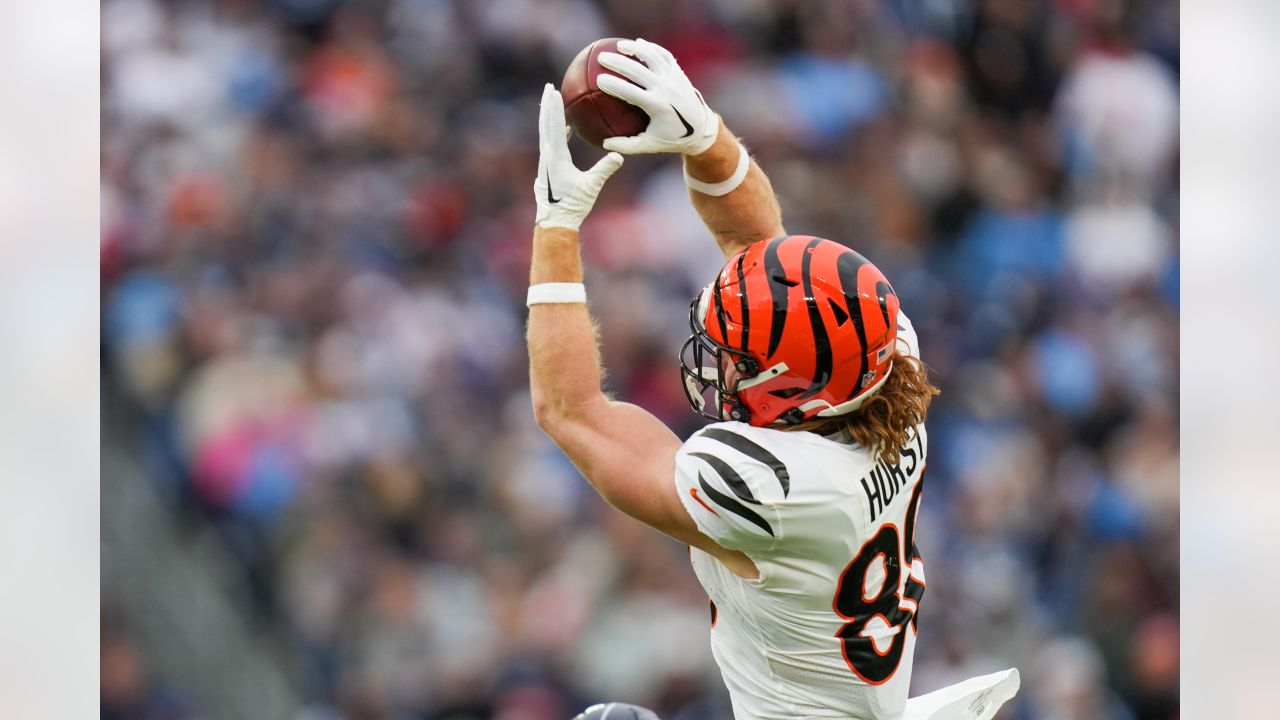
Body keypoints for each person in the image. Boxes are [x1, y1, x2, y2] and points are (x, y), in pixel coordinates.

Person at [527, 38, 1019, 720]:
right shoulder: (886, 368)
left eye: (740, 357)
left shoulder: (771, 484)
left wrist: (556, 230)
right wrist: (705, 137)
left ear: (793, 388)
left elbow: (571, 411)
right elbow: (762, 255)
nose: (720, 363)